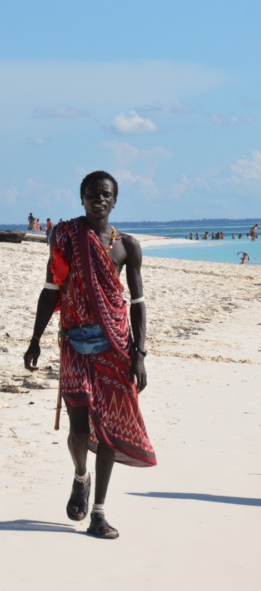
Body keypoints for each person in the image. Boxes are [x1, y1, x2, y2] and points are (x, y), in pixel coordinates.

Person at [23, 170, 156, 538]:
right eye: (93, 193)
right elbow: (52, 288)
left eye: (106, 194)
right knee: (79, 430)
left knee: (110, 431)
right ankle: (81, 476)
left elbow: (139, 303)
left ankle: (99, 512)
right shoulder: (64, 236)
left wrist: (140, 354)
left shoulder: (127, 246)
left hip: (115, 347)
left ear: (116, 201)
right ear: (81, 198)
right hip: (74, 346)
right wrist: (35, 339)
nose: (100, 199)